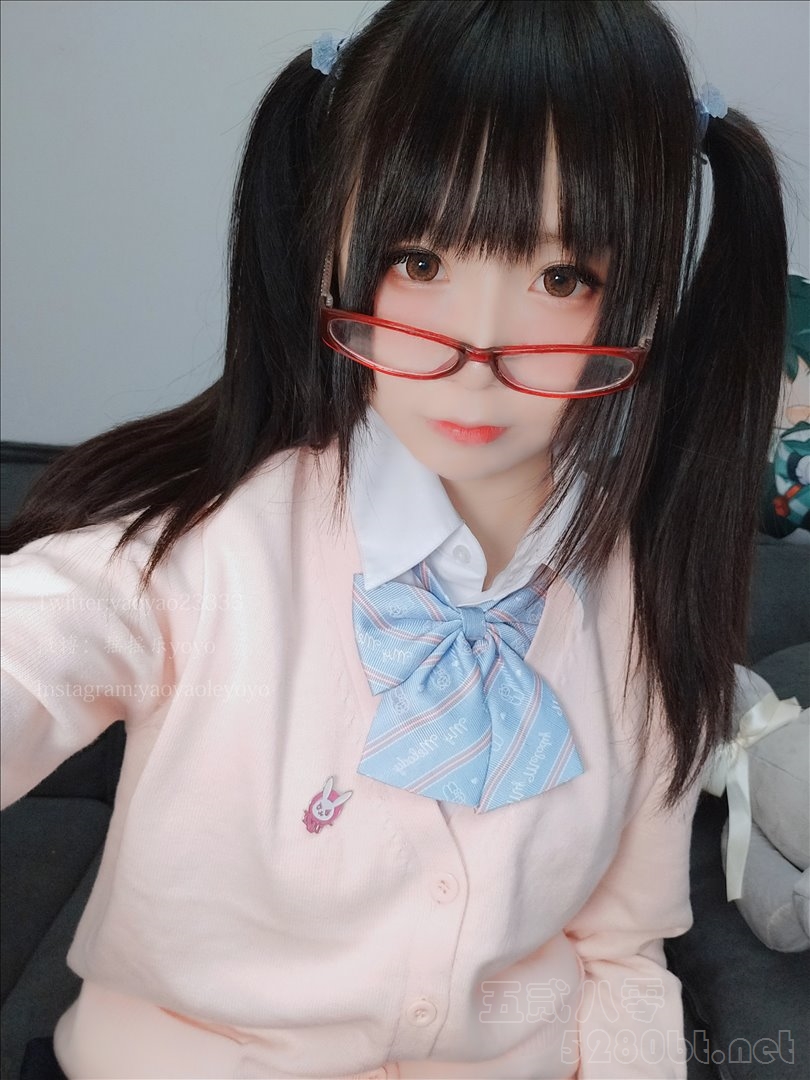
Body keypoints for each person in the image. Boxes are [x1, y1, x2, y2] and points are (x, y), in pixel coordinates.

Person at [0, 1, 788, 1077]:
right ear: (337, 244)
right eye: (420, 261)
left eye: (562, 278)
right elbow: (36, 646)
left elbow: (621, 953)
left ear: (645, 298)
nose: (477, 349)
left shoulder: (649, 601)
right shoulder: (204, 553)